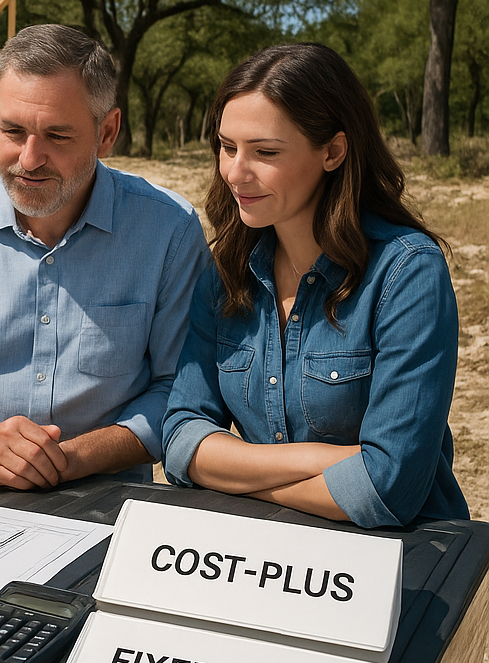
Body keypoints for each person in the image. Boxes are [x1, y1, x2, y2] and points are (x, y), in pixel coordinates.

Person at [0, 24, 210, 490]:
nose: (29, 159)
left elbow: (182, 389)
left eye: (57, 135)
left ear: (107, 132)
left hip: (112, 499)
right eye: (12, 130)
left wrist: (70, 460)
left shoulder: (168, 230)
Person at [161, 42, 468, 528]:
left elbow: (385, 489)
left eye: (265, 152)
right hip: (270, 558)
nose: (236, 172)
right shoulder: (225, 273)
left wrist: (234, 472)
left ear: (333, 151)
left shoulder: (407, 273)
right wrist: (320, 460)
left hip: (401, 560)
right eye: (227, 146)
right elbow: (180, 438)